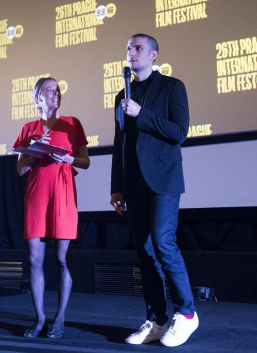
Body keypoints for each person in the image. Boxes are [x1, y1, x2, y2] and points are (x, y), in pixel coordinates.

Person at [110, 34, 198, 347]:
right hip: (133, 184)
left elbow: (179, 132)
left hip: (164, 180)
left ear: (154, 54)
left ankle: (186, 313)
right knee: (145, 253)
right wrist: (116, 187)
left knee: (162, 241)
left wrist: (142, 114)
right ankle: (158, 319)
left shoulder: (173, 87)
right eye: (128, 48)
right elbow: (120, 143)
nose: (131, 53)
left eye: (137, 48)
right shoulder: (124, 94)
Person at [14, 77, 90, 339]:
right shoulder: (29, 128)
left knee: (61, 258)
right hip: (37, 195)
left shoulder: (72, 124)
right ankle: (39, 319)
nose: (55, 93)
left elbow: (85, 162)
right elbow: (21, 169)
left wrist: (67, 157)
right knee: (35, 259)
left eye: (58, 90)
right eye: (49, 90)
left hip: (63, 192)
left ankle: (60, 318)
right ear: (37, 96)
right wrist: (36, 150)